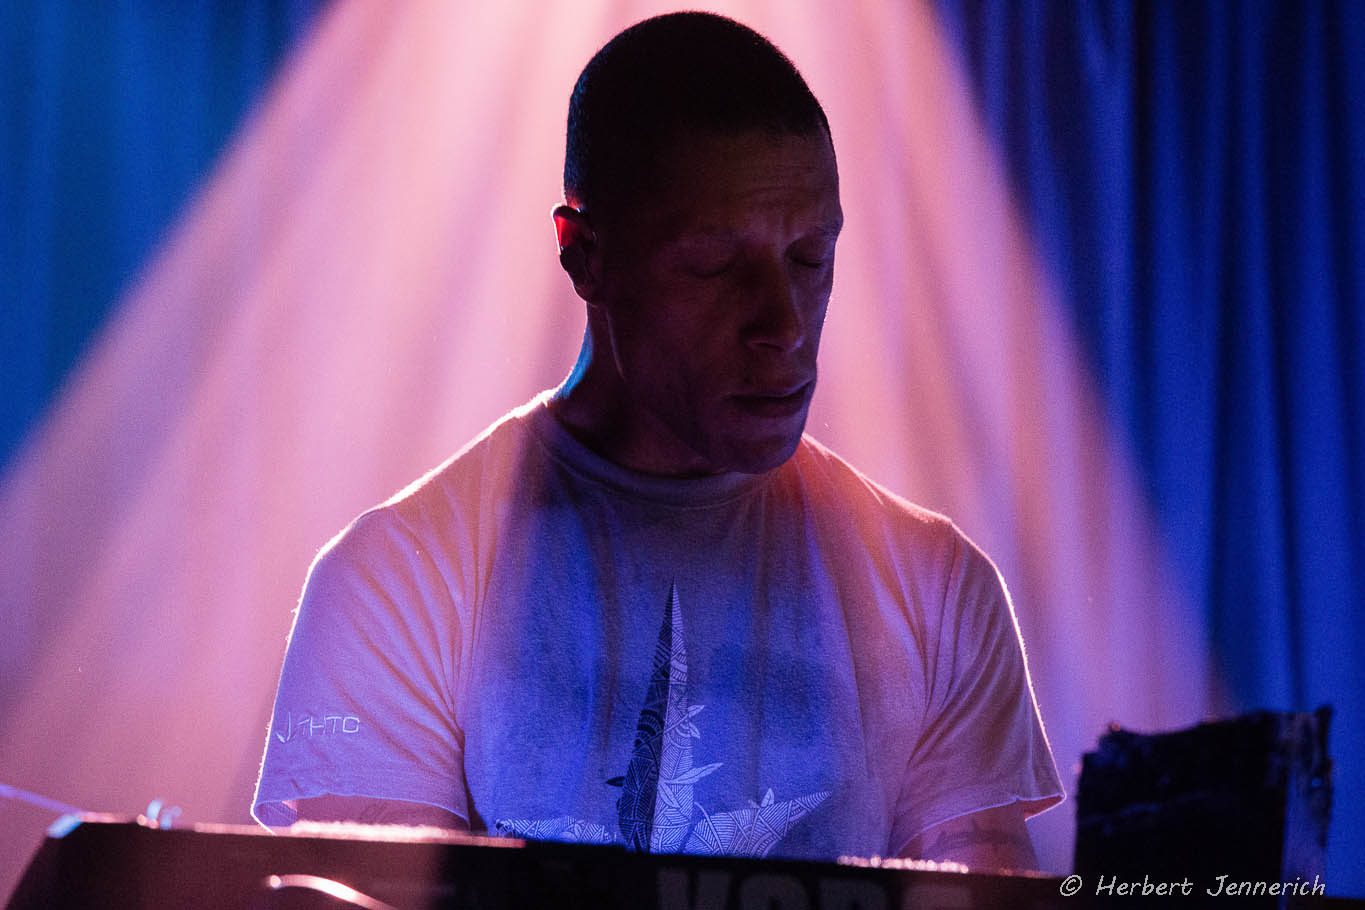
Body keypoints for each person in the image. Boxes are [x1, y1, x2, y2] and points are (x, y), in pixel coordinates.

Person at [252, 11, 1063, 870]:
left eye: (808, 258)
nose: (783, 324)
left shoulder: (937, 584)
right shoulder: (397, 578)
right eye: (713, 264)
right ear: (585, 254)